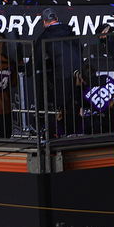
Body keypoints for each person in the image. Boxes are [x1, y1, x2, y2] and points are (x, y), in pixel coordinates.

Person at [37, 8, 80, 137]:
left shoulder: (45, 35)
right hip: (77, 73)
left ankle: (62, 134)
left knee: (60, 106)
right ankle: (74, 132)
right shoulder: (69, 31)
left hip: (60, 75)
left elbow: (37, 56)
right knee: (74, 104)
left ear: (44, 22)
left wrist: (28, 71)